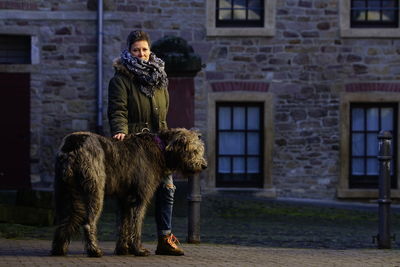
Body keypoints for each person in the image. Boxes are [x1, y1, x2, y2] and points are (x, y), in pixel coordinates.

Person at [107, 30, 184, 256]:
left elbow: (163, 115)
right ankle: (126, 240)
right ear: (129, 51)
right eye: (136, 50)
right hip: (135, 145)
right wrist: (120, 131)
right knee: (132, 195)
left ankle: (164, 239)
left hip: (159, 145)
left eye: (144, 49)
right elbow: (117, 110)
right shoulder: (120, 79)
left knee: (167, 188)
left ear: (150, 51)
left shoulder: (160, 79)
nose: (141, 54)